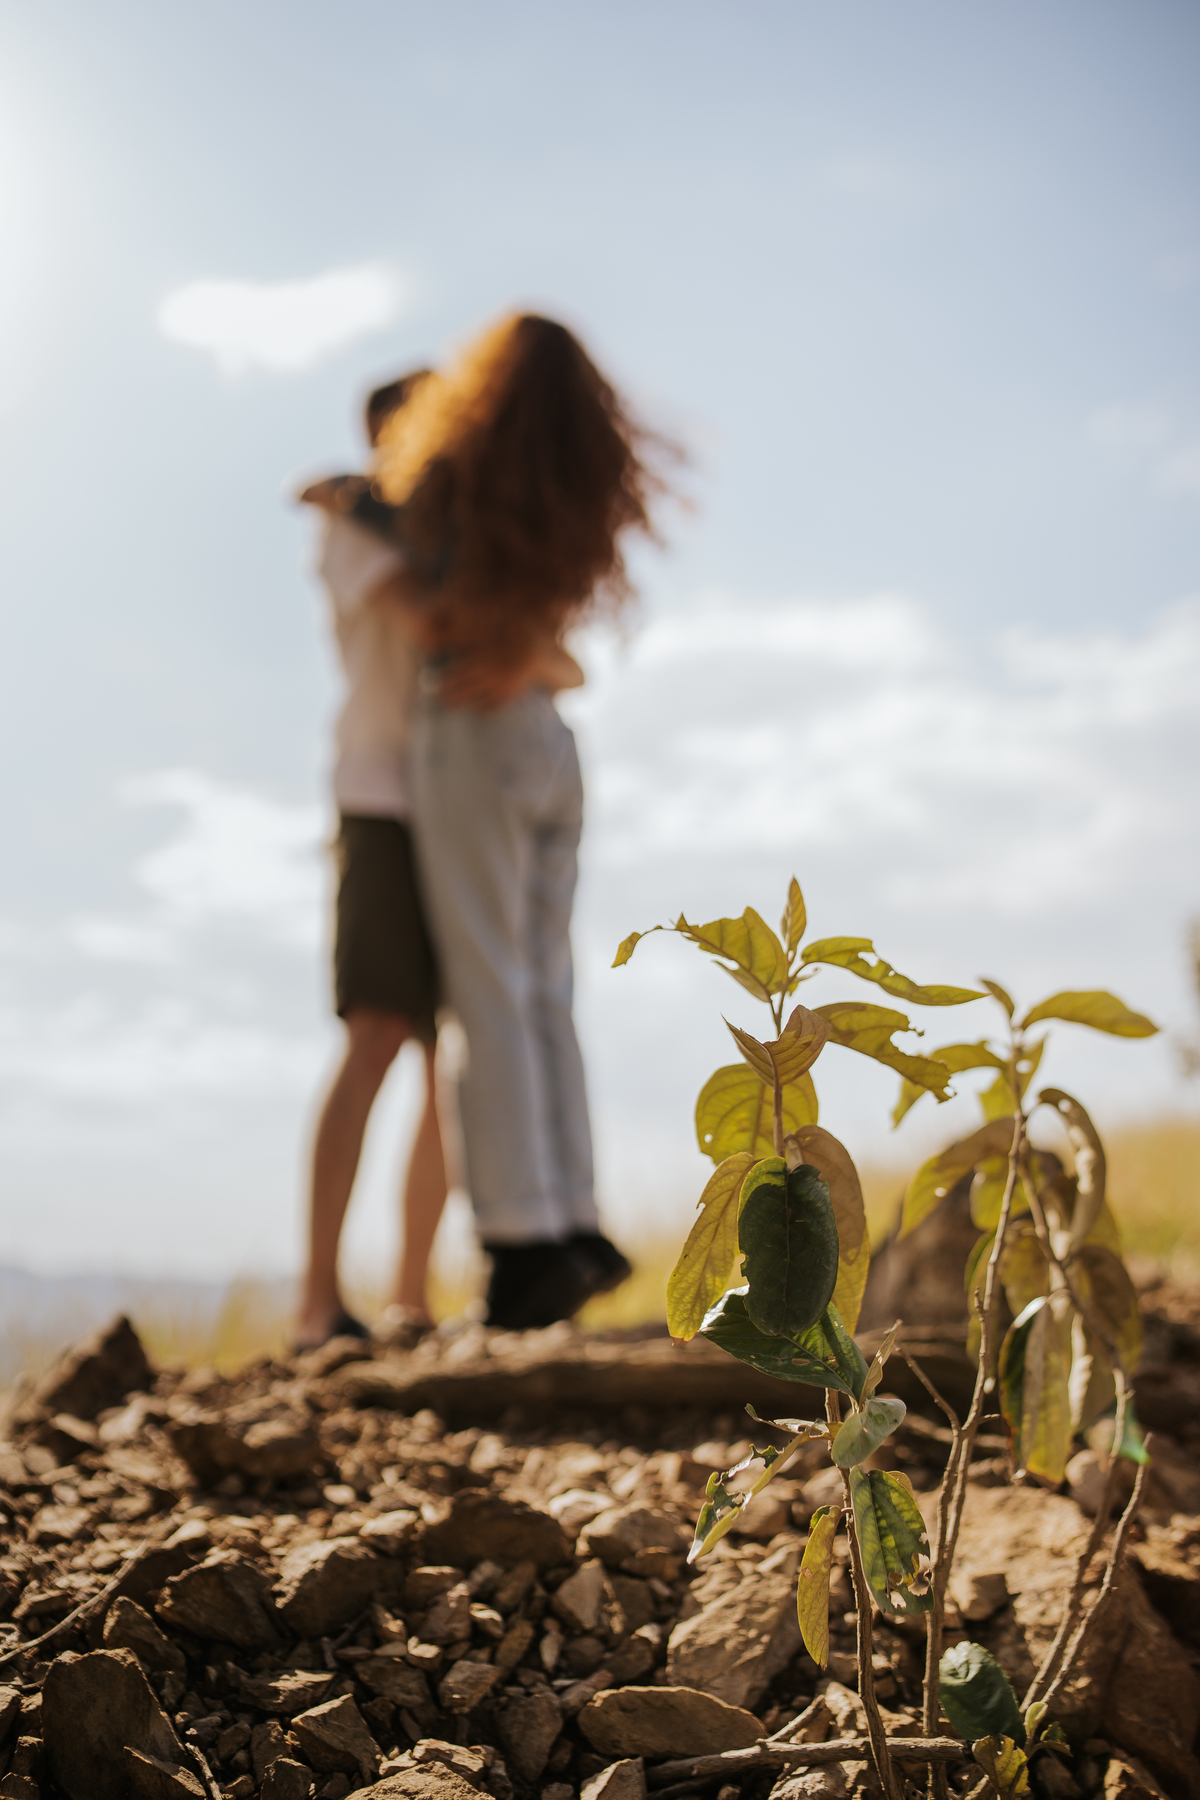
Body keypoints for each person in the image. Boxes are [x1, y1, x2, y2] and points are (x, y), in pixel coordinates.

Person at [369, 312, 664, 1330]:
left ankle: (522, 1245)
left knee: (485, 988)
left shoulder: (454, 476)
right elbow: (553, 641)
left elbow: (444, 615)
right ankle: (574, 1218)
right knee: (545, 987)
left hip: (476, 730)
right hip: (550, 740)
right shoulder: (571, 492)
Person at [295, 372, 593, 1347]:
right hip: (385, 802)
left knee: (452, 1053)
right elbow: (442, 629)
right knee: (378, 1032)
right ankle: (314, 1302)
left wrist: (518, 658)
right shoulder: (357, 529)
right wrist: (518, 649)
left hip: (461, 806)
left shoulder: (444, 537)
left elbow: (561, 661)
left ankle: (412, 1298)